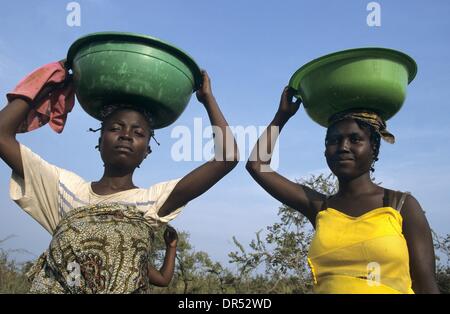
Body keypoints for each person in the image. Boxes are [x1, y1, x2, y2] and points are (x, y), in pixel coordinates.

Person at [0, 63, 239, 293]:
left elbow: (228, 157)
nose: (126, 136)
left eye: (138, 133)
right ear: (100, 140)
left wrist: (208, 99)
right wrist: (50, 80)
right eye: (115, 128)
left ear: (147, 150)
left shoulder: (152, 202)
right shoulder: (63, 189)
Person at [246, 86, 440, 294]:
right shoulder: (321, 208)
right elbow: (257, 165)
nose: (343, 147)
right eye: (334, 141)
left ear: (374, 146)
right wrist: (281, 116)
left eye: (355, 139)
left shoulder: (401, 205)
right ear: (325, 151)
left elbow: (425, 285)